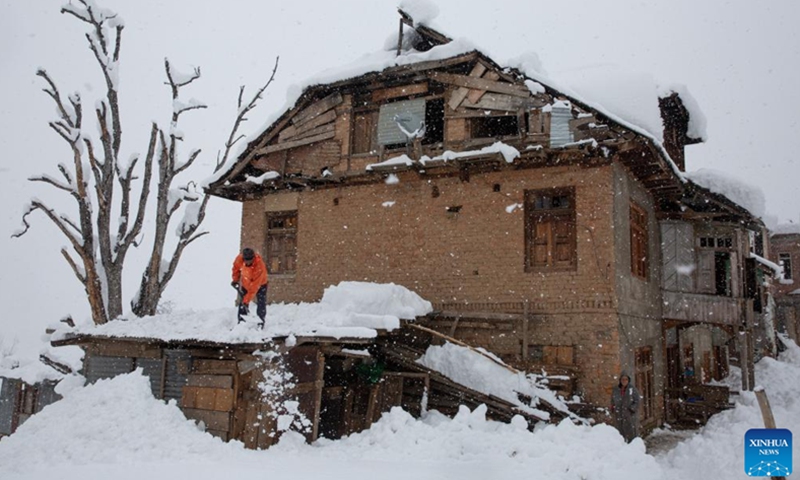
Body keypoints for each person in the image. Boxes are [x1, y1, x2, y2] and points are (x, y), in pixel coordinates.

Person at [231, 247, 268, 327]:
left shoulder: (259, 266)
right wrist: (235, 280)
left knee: (261, 302)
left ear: (253, 258)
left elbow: (254, 287)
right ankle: (241, 323)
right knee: (242, 303)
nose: (247, 262)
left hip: (260, 284)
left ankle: (260, 322)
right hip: (245, 283)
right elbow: (236, 269)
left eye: (249, 260)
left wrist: (246, 300)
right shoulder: (240, 259)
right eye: (246, 260)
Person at [610, 371, 640, 442]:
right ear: (620, 380)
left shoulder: (632, 389)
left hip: (629, 414)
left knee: (630, 431)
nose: (624, 381)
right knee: (619, 431)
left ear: (628, 380)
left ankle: (632, 445)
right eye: (622, 379)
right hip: (618, 413)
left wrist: (632, 409)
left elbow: (637, 401)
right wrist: (613, 407)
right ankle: (621, 445)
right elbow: (612, 399)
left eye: (626, 379)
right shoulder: (616, 390)